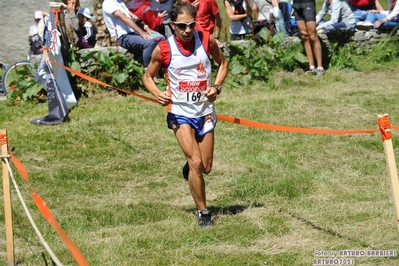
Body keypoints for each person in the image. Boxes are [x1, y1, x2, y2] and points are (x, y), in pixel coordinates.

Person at [142, 2, 228, 227]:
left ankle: (191, 168)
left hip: (205, 111)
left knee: (205, 167)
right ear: (173, 25)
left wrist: (216, 87)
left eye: (191, 25)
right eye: (182, 26)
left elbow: (223, 64)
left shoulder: (207, 39)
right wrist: (157, 93)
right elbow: (147, 77)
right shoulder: (163, 49)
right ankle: (203, 212)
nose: (188, 30)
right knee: (197, 162)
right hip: (179, 113)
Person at [102, 0, 165, 68]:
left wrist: (147, 29)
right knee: (149, 43)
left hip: (133, 33)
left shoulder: (119, 2)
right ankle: (149, 72)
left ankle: (161, 68)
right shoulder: (108, 3)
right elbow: (125, 19)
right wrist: (142, 33)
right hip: (122, 36)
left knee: (161, 38)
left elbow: (134, 17)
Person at [292, 0, 325, 77]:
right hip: (296, 5)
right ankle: (311, 67)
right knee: (304, 36)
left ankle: (320, 68)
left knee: (313, 36)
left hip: (308, 3)